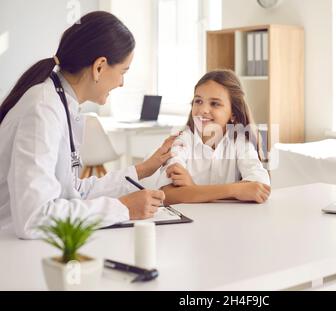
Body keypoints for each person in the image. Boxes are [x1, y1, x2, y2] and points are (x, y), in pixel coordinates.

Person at [0, 11, 175, 239]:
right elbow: (35, 217)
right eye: (123, 72)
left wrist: (144, 169)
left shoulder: (60, 101)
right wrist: (123, 208)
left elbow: (74, 192)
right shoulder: (43, 109)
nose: (122, 82)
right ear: (99, 66)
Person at [155, 70, 271, 205]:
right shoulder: (180, 141)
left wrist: (193, 189)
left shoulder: (240, 142)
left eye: (215, 103)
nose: (203, 110)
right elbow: (167, 196)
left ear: (233, 113)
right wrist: (236, 190)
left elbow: (259, 188)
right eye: (198, 101)